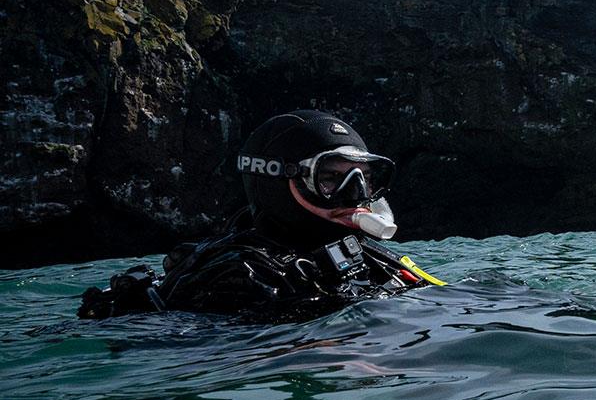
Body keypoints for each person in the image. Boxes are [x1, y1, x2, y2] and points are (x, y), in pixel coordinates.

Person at [78, 110, 441, 321]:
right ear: (276, 180)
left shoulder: (363, 256)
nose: (356, 195)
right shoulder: (238, 277)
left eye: (364, 178)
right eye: (331, 178)